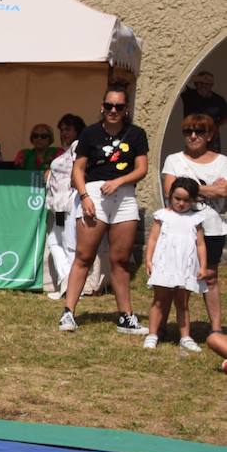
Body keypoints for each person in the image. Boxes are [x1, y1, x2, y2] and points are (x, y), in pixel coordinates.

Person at [61, 86, 150, 336]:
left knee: (120, 260)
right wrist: (84, 196)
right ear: (102, 106)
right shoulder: (90, 133)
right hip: (95, 194)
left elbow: (141, 168)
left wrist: (120, 181)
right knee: (84, 256)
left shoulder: (136, 134)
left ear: (126, 109)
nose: (113, 111)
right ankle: (68, 312)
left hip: (124, 195)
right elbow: (78, 169)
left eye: (119, 107)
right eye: (109, 106)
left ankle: (126, 316)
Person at [160, 113, 227, 338]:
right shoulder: (173, 160)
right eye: (188, 131)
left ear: (210, 135)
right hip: (180, 229)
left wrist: (188, 188)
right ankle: (166, 328)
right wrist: (210, 189)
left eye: (199, 131)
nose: (193, 136)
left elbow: (225, 191)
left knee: (210, 276)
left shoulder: (222, 162)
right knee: (174, 277)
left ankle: (216, 329)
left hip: (213, 227)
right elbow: (171, 192)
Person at [144, 177, 210, 352]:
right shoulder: (162, 215)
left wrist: (203, 266)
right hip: (165, 263)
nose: (181, 203)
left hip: (185, 266)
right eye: (177, 199)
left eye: (186, 200)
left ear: (194, 200)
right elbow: (153, 239)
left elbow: (200, 244)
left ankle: (185, 336)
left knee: (182, 303)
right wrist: (149, 259)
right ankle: (152, 334)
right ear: (170, 196)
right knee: (159, 300)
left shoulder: (195, 219)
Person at [45, 113, 89, 300]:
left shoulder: (79, 146)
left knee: (67, 242)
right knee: (56, 241)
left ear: (78, 130)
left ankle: (72, 287)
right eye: (61, 130)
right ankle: (67, 281)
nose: (64, 133)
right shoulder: (67, 150)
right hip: (60, 205)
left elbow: (80, 171)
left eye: (68, 129)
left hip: (71, 203)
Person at [181, 70, 227, 149]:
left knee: (212, 158)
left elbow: (225, 117)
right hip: (193, 134)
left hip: (211, 137)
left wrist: (216, 126)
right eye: (201, 83)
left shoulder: (218, 100)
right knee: (193, 157)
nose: (204, 85)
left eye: (208, 84)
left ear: (211, 85)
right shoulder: (189, 94)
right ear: (196, 83)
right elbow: (179, 80)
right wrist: (200, 78)